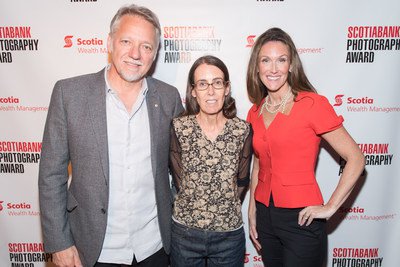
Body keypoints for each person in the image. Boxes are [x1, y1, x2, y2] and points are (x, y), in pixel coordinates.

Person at [38, 4, 184, 267]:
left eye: (146, 46)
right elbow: (51, 175)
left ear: (154, 54)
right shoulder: (69, 94)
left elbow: (182, 169)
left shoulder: (169, 98)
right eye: (126, 41)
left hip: (155, 248)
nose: (135, 54)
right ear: (110, 43)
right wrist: (59, 244)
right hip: (92, 251)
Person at [246, 27, 365, 267]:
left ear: (291, 65)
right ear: (257, 67)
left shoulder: (312, 104)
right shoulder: (255, 111)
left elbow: (356, 158)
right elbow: (258, 162)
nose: (273, 68)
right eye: (266, 60)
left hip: (302, 218)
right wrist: (252, 209)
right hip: (265, 216)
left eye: (281, 60)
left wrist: (331, 207)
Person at [169, 55, 253, 267]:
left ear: (227, 88)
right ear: (193, 91)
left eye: (217, 82)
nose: (211, 91)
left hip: (229, 236)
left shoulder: (241, 130)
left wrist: (221, 206)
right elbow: (179, 181)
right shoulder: (179, 127)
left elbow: (242, 182)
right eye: (202, 84)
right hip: (185, 233)